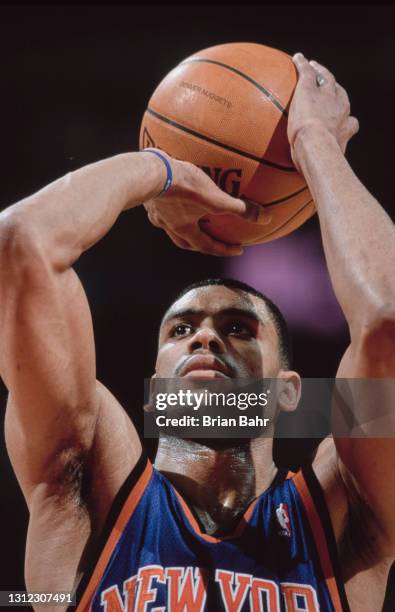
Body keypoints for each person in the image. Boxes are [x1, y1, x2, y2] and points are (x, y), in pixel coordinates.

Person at [0, 52, 394, 612]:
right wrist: (159, 170)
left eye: (237, 328)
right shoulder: (90, 488)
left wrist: (313, 141)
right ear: (156, 381)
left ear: (288, 390)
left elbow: (386, 318)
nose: (203, 339)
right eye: (180, 329)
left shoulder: (344, 508)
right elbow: (19, 243)